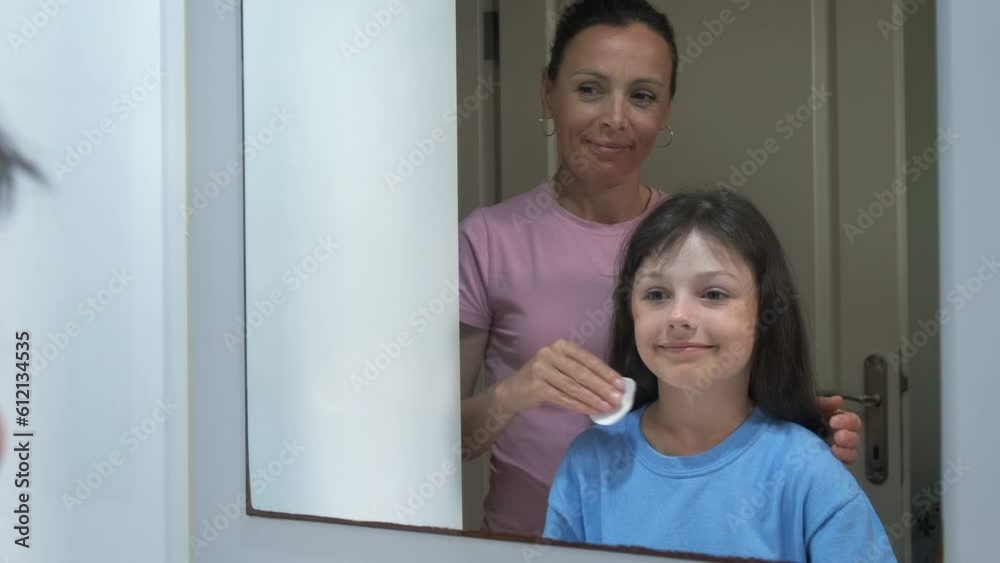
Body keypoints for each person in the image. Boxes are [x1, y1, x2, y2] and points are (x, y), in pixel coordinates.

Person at [459, 0, 862, 537]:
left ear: (666, 109)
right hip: (524, 541)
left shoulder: (697, 245)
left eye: (642, 96)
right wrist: (518, 392)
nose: (616, 118)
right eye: (589, 89)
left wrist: (794, 428)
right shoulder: (488, 240)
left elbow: (732, 392)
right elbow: (442, 442)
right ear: (547, 92)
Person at [542, 190, 895, 562]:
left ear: (764, 314)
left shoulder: (808, 472)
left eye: (713, 293)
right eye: (657, 294)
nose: (678, 316)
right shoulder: (589, 464)